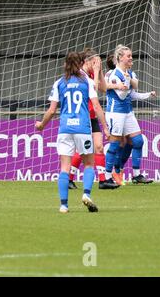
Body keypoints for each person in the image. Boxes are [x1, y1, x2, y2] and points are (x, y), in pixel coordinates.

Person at [35, 52, 109, 213]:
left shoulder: (59, 83)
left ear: (65, 65)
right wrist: (105, 128)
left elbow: (52, 110)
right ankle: (86, 194)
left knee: (64, 168)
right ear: (81, 63)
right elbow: (96, 107)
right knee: (89, 164)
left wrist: (41, 125)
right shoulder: (87, 82)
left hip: (65, 129)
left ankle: (63, 205)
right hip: (82, 128)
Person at [104, 45, 153, 186]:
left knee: (138, 141)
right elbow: (121, 94)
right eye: (128, 56)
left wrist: (129, 79)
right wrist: (125, 81)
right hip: (116, 112)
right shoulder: (114, 75)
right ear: (120, 58)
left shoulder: (129, 72)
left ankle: (136, 175)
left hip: (128, 112)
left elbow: (135, 86)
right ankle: (108, 177)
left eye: (131, 55)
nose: (131, 58)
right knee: (114, 145)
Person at [68, 48, 116, 190]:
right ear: (88, 61)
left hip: (92, 116)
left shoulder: (91, 73)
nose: (97, 63)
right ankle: (69, 178)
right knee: (84, 149)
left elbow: (104, 88)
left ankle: (102, 181)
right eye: (95, 61)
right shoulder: (80, 75)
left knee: (99, 146)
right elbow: (93, 88)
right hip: (83, 115)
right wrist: (95, 72)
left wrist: (99, 71)